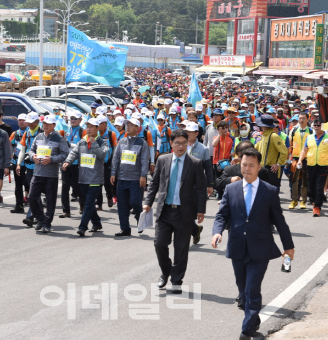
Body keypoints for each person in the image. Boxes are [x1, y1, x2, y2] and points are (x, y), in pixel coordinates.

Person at [212, 148, 294, 340]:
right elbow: (222, 215)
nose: (246, 169)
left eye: (251, 165)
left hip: (261, 249)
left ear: (258, 167)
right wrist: (217, 232)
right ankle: (254, 320)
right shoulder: (231, 189)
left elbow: (279, 221)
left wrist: (288, 247)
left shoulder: (269, 191)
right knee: (243, 291)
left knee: (252, 289)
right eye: (243, 165)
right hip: (237, 247)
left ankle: (246, 331)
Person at [144, 129, 207, 294]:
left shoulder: (194, 163)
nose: (181, 146)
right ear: (171, 143)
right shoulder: (163, 160)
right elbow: (155, 183)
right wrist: (148, 202)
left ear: (188, 144)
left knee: (181, 249)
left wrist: (201, 210)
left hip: (184, 213)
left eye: (184, 143)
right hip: (164, 211)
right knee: (159, 244)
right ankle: (165, 271)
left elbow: (200, 189)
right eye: (177, 143)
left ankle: (177, 280)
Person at [62, 118, 108, 237]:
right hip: (83, 178)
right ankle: (97, 223)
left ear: (97, 128)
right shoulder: (82, 141)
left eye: (92, 126)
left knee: (88, 203)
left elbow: (102, 154)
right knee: (89, 204)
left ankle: (82, 227)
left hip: (95, 179)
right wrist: (68, 161)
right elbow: (74, 153)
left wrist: (93, 143)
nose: (88, 128)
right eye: (87, 126)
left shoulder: (102, 142)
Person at [27, 114, 69, 233]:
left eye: (48, 124)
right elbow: (31, 150)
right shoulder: (38, 137)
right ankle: (40, 218)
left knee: (50, 200)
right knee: (32, 197)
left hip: (51, 174)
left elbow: (65, 154)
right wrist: (32, 156)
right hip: (38, 172)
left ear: (54, 125)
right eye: (44, 123)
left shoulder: (59, 138)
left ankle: (47, 223)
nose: (45, 126)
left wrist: (51, 159)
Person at [111, 118, 150, 237]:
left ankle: (140, 220)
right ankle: (125, 229)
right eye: (127, 125)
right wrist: (113, 173)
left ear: (138, 128)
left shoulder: (142, 143)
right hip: (122, 178)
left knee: (135, 203)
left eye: (131, 125)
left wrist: (143, 176)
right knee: (122, 205)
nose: (128, 127)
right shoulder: (122, 142)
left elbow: (144, 161)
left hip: (135, 179)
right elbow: (116, 158)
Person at [297, 118, 328, 217]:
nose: (317, 127)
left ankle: (317, 207)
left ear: (323, 126)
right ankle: (314, 201)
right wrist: (300, 160)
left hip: (323, 166)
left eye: (319, 125)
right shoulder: (309, 138)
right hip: (311, 165)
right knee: (311, 187)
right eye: (315, 125)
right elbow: (304, 150)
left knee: (319, 187)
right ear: (312, 126)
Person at [59, 111, 85, 218]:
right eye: (71, 118)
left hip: (77, 163)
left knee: (78, 187)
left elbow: (83, 146)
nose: (73, 120)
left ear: (80, 120)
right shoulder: (65, 130)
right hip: (66, 162)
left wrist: (70, 144)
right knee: (65, 187)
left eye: (75, 118)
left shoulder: (82, 131)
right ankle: (66, 210)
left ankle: (83, 206)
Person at [253, 115, 288, 189]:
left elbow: (284, 151)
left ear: (264, 126)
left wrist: (278, 164)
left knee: (272, 194)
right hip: (263, 169)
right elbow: (255, 148)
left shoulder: (273, 136)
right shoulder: (264, 136)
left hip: (271, 170)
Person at [288, 112, 312, 210]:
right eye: (300, 118)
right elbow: (289, 145)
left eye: (303, 118)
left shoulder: (311, 131)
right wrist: (288, 158)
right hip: (295, 158)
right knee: (294, 179)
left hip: (307, 158)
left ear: (307, 119)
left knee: (305, 180)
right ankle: (294, 200)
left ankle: (303, 200)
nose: (301, 120)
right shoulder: (293, 130)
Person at [9, 114, 29, 214]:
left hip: (29, 162)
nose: (21, 122)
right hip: (17, 162)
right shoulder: (15, 133)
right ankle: (19, 206)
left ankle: (33, 206)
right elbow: (8, 144)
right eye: (19, 120)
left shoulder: (30, 133)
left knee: (28, 183)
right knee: (18, 185)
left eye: (23, 120)